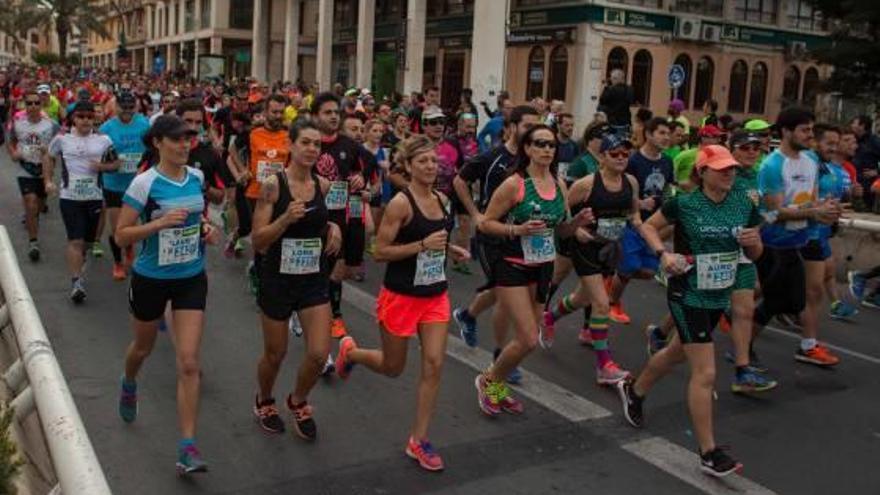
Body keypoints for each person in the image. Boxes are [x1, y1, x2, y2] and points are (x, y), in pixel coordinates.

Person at [619, 144, 764, 477]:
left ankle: (635, 390)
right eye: (722, 168)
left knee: (675, 353)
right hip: (687, 293)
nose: (730, 173)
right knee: (706, 372)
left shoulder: (744, 204)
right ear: (703, 172)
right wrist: (663, 255)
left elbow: (757, 252)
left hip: (718, 294)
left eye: (732, 168)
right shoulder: (684, 204)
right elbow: (648, 226)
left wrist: (753, 241)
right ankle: (709, 453)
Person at [335, 135, 469, 472]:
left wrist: (449, 248)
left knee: (434, 364)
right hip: (401, 296)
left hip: (435, 295)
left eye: (433, 161)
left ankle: (418, 439)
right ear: (408, 166)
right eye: (422, 161)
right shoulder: (401, 204)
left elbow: (438, 237)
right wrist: (422, 245)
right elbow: (380, 251)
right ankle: (351, 353)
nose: (429, 166)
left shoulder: (443, 199)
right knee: (393, 367)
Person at [114, 115, 215, 475]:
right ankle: (128, 383)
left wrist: (205, 229)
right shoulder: (145, 183)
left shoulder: (197, 177)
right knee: (142, 348)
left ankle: (187, 446)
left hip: (190, 277)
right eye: (177, 140)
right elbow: (121, 235)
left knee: (189, 362)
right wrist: (157, 224)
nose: (185, 145)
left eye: (189, 139)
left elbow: (196, 218)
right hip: (151, 279)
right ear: (158, 143)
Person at [474, 124, 592, 416]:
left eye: (551, 145)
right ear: (527, 149)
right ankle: (487, 380)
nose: (546, 150)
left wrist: (576, 224)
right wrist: (517, 229)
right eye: (539, 144)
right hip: (512, 265)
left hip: (542, 266)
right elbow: (485, 223)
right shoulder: (515, 184)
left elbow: (561, 231)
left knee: (528, 339)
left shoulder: (559, 184)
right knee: (527, 337)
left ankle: (497, 384)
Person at [251, 121, 342, 440]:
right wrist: (285, 219)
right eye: (305, 142)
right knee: (276, 354)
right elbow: (258, 241)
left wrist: (334, 227)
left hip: (313, 279)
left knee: (319, 353)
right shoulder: (273, 186)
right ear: (290, 146)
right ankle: (264, 399)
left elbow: (326, 218)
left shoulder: (325, 185)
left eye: (317, 144)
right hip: (277, 278)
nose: (311, 149)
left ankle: (298, 400)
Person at [451, 105, 541, 384]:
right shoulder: (493, 157)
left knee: (505, 290)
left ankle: (467, 315)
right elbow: (459, 180)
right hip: (493, 237)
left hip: (523, 238)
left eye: (536, 127)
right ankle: (501, 361)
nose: (532, 132)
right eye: (527, 126)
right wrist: (475, 213)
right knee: (506, 294)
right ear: (511, 127)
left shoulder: (534, 159)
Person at [543, 134, 640, 384]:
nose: (620, 158)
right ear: (603, 157)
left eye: (625, 154)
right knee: (601, 303)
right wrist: (576, 229)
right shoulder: (586, 184)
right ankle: (604, 366)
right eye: (615, 154)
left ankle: (549, 318)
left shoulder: (631, 182)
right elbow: (559, 213)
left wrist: (650, 243)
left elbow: (635, 216)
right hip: (585, 247)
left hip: (609, 249)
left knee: (580, 298)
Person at [753, 107, 841, 368]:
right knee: (777, 301)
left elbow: (811, 202)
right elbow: (773, 212)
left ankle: (743, 349)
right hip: (774, 243)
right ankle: (740, 350)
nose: (809, 135)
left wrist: (826, 212)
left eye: (811, 130)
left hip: (801, 240)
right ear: (786, 131)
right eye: (804, 130)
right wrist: (815, 210)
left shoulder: (811, 162)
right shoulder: (772, 165)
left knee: (788, 300)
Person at [311, 92, 374, 339]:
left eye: (336, 113)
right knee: (317, 271)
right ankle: (310, 310)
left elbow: (368, 161)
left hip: (341, 216)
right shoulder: (309, 143)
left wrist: (362, 177)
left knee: (338, 271)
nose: (333, 117)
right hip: (313, 215)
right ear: (315, 116)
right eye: (327, 113)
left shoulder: (349, 145)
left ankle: (334, 315)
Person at [43, 101, 117, 303]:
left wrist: (101, 167)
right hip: (70, 198)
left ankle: (80, 261)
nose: (86, 120)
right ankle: (76, 282)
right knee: (75, 241)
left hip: (94, 197)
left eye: (89, 117)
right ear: (73, 118)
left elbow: (116, 164)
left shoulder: (104, 140)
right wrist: (48, 180)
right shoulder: (62, 139)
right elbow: (48, 157)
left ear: (95, 118)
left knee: (87, 243)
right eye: (81, 116)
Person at [608, 117, 674, 324]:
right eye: (662, 132)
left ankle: (611, 277)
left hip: (653, 224)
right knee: (629, 269)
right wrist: (638, 203)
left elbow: (666, 188)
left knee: (647, 271)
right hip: (631, 221)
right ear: (648, 134)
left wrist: (669, 201)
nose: (666, 137)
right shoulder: (633, 160)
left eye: (668, 133)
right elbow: (621, 186)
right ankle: (611, 303)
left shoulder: (667, 161)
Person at [228, 94, 292, 295]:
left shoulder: (289, 134)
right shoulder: (252, 133)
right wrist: (241, 171)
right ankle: (259, 273)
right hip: (254, 192)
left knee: (275, 234)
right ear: (265, 112)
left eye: (281, 112)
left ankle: (266, 271)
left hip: (279, 193)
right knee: (259, 233)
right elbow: (232, 150)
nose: (277, 116)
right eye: (274, 112)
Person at [99, 90, 151, 280]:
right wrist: (109, 164)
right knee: (116, 227)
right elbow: (100, 155)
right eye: (123, 107)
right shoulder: (106, 128)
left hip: (136, 185)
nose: (127, 111)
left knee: (130, 225)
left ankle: (128, 248)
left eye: (131, 107)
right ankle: (118, 263)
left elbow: (153, 149)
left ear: (136, 106)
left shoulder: (145, 125)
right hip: (113, 183)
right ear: (116, 106)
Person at [8, 89, 59, 262]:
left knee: (39, 204)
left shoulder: (51, 124)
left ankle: (34, 217)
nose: (33, 106)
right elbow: (11, 140)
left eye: (36, 103)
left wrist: (51, 155)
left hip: (43, 170)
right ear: (25, 105)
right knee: (30, 203)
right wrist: (13, 153)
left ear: (41, 104)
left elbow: (60, 143)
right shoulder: (18, 123)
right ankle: (33, 242)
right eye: (29, 103)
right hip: (26, 169)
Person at [673, 124, 724, 192]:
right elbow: (670, 178)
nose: (719, 140)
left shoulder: (717, 158)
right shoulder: (684, 156)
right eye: (715, 137)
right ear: (703, 138)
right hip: (683, 197)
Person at [850, 114, 880, 211]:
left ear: (862, 126)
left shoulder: (874, 142)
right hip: (853, 185)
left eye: (854, 123)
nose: (851, 125)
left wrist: (877, 171)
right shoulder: (852, 140)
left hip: (868, 188)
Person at [598, 69, 634, 137]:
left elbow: (602, 101)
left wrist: (605, 87)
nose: (611, 80)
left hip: (612, 122)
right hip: (625, 122)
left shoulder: (609, 89)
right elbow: (631, 101)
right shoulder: (630, 89)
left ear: (615, 78)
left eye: (612, 78)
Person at [554, 113, 578, 183]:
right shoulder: (550, 143)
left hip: (569, 184)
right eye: (567, 125)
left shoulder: (574, 145)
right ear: (558, 126)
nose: (570, 128)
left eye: (572, 125)